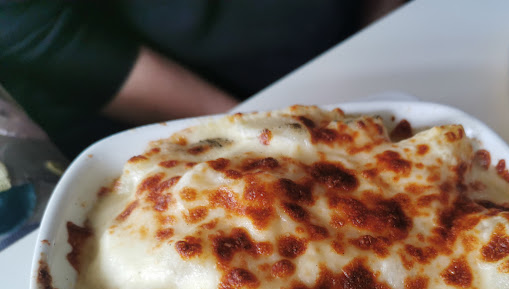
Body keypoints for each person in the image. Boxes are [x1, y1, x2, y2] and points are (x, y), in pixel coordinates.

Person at [0, 0, 404, 159]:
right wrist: (262, 138)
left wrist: (388, 27)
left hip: (371, 43)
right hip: (199, 110)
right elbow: (51, 40)